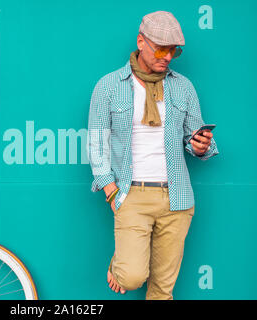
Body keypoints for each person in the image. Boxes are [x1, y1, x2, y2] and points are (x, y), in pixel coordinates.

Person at [86, 11, 219, 300]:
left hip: (177, 198)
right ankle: (123, 260)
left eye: (173, 50)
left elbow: (194, 136)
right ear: (141, 42)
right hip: (130, 194)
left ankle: (128, 254)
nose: (168, 56)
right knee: (132, 276)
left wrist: (201, 146)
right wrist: (110, 191)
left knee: (162, 291)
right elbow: (97, 144)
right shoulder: (108, 86)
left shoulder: (183, 86)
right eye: (161, 48)